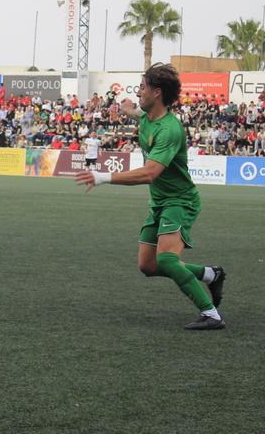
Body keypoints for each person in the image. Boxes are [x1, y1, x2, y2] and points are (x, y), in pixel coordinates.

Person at [75, 63, 226, 331]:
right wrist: (125, 106)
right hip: (159, 202)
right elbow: (133, 111)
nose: (139, 91)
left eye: (142, 87)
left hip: (180, 201)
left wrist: (103, 177)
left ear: (156, 93)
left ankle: (211, 314)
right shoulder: (147, 117)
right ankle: (210, 274)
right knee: (148, 265)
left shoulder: (169, 129)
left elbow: (149, 173)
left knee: (167, 260)